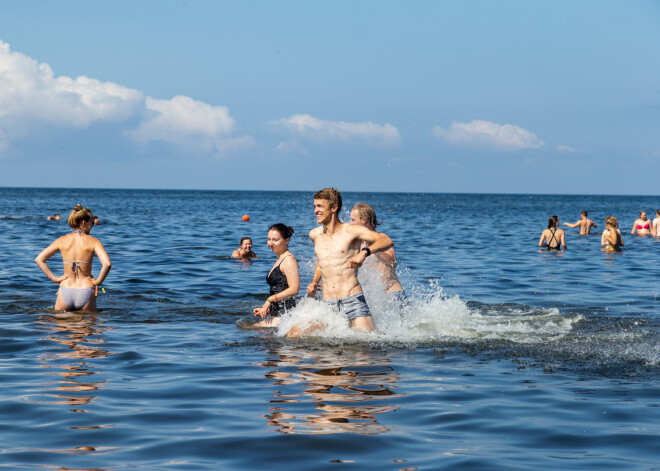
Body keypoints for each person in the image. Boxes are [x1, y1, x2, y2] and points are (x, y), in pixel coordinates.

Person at [288, 188, 393, 337]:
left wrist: (364, 253)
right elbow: (323, 260)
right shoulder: (315, 234)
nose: (315, 211)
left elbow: (387, 241)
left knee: (369, 346)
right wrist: (314, 281)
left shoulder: (351, 231)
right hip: (327, 305)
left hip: (353, 301)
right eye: (314, 207)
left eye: (320, 206)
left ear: (334, 208)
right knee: (294, 335)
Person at [35, 204, 111, 312]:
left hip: (65, 289)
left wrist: (55, 279)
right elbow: (107, 264)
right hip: (85, 289)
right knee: (88, 326)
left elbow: (39, 259)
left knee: (62, 326)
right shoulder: (94, 241)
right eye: (91, 223)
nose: (93, 225)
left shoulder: (62, 240)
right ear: (84, 223)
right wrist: (98, 282)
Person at [350, 202, 406, 305]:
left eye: (353, 220)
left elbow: (392, 263)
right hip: (374, 298)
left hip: (393, 295)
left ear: (364, 220)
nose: (350, 223)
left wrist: (371, 247)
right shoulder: (357, 243)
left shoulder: (381, 238)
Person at [253, 224, 300, 327]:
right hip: (278, 314)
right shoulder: (280, 258)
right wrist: (267, 310)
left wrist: (270, 300)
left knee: (247, 329)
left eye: (275, 240)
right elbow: (280, 289)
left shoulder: (288, 260)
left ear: (286, 240)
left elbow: (294, 289)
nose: (270, 243)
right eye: (269, 239)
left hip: (286, 316)